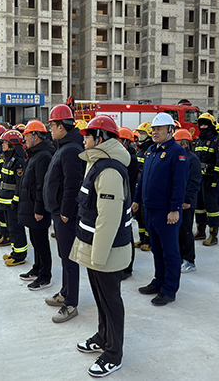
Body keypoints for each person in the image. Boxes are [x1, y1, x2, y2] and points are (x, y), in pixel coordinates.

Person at [69, 115, 133, 378]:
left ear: (101, 138)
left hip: (107, 252)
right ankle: (103, 336)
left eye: (88, 135)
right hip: (95, 248)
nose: (84, 139)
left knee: (111, 301)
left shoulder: (109, 171)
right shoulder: (97, 163)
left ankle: (114, 354)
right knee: (101, 298)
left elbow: (108, 219)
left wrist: (98, 256)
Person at [132, 113, 188, 306]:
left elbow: (179, 184)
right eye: (153, 129)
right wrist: (137, 200)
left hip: (166, 211)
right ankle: (159, 280)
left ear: (170, 130)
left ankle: (169, 289)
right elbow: (143, 179)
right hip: (150, 208)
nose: (155, 132)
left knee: (169, 251)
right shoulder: (151, 151)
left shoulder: (177, 153)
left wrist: (175, 209)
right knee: (156, 248)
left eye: (159, 129)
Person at [43, 104, 85, 323]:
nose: (50, 129)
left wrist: (66, 212)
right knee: (64, 255)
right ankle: (65, 292)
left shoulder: (71, 150)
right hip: (58, 212)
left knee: (70, 259)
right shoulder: (63, 147)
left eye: (52, 125)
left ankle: (71, 303)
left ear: (61, 126)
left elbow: (72, 185)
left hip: (65, 214)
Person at [18, 120, 55, 290]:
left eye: (27, 135)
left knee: (41, 243)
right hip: (31, 206)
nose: (24, 138)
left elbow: (42, 185)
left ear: (36, 136)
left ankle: (45, 276)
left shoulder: (44, 156)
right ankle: (37, 268)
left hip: (38, 209)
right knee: (35, 240)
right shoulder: (35, 153)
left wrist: (39, 209)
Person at [194, 112, 219, 246]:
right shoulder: (198, 141)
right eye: (201, 124)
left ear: (212, 126)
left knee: (212, 208)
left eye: (206, 124)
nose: (203, 127)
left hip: (211, 180)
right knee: (199, 207)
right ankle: (200, 231)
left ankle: (213, 235)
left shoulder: (218, 143)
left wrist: (215, 179)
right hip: (199, 180)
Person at [173, 129, 202, 273]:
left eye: (177, 142)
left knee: (185, 231)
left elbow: (194, 182)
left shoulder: (192, 159)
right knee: (177, 232)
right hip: (176, 200)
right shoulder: (176, 157)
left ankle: (189, 260)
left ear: (185, 143)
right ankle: (179, 258)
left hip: (186, 203)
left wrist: (187, 200)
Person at [0, 130, 28, 266]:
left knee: (16, 229)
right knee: (11, 228)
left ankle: (20, 255)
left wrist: (15, 201)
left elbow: (19, 184)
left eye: (5, 143)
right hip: (5, 200)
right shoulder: (8, 158)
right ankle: (15, 252)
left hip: (12, 202)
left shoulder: (18, 161)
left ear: (12, 145)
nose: (2, 145)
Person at [117, 127, 139, 279]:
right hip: (122, 198)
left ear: (126, 142)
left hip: (126, 200)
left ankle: (127, 268)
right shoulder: (122, 156)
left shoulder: (130, 159)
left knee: (126, 233)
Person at [134, 121, 153, 251]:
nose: (140, 136)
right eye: (140, 133)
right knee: (139, 216)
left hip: (147, 189)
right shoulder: (139, 149)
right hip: (138, 188)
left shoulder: (151, 150)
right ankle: (141, 238)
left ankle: (148, 241)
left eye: (143, 134)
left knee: (146, 216)